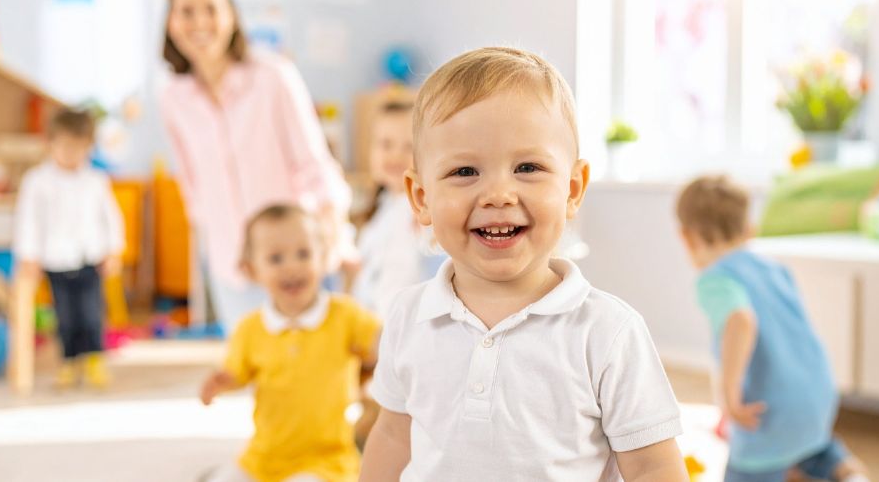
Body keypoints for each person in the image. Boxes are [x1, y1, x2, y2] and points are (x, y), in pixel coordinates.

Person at [360, 47, 687, 481]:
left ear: (572, 189)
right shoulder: (408, 316)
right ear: (421, 198)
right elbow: (393, 436)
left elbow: (651, 467)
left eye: (527, 167)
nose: (498, 193)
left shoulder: (607, 332)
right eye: (464, 172)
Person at [160, 0, 351, 333]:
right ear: (170, 22)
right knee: (257, 375)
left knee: (313, 375)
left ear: (232, 16)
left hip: (296, 258)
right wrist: (212, 238)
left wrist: (330, 236)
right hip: (232, 265)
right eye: (186, 11)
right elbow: (191, 181)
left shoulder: (273, 75)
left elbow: (313, 162)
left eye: (211, 9)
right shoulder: (172, 97)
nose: (199, 21)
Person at [676, 175, 869, 482]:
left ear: (686, 237)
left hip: (771, 411)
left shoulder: (714, 279)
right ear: (749, 230)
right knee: (809, 445)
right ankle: (841, 470)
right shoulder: (775, 269)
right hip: (818, 394)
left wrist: (728, 394)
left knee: (748, 467)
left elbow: (740, 321)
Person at [200, 204, 381, 482]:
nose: (292, 266)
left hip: (326, 458)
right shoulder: (250, 328)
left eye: (304, 254)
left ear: (323, 258)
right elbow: (237, 373)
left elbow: (384, 341)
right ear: (251, 270)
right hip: (263, 457)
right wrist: (221, 382)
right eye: (275, 258)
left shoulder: (345, 315)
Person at [13, 109, 124, 389]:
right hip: (55, 260)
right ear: (50, 144)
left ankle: (95, 359)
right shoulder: (37, 181)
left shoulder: (96, 181)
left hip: (89, 259)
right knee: (64, 316)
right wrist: (29, 255)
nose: (72, 154)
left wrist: (114, 251)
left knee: (91, 313)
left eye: (79, 148)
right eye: (65, 147)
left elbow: (111, 218)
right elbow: (28, 221)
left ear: (89, 147)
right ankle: (69, 361)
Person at [352, 100, 443, 319]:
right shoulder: (381, 208)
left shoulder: (422, 207)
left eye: (408, 147)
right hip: (372, 321)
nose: (395, 155)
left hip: (402, 321)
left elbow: (434, 247)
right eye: (385, 144)